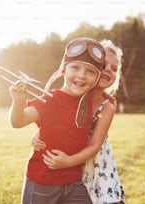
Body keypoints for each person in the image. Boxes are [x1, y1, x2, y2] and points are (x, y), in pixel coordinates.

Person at [8, 37, 106, 204]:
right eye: (75, 67)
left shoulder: (90, 99)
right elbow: (18, 121)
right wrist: (18, 102)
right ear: (63, 70)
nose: (81, 75)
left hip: (74, 181)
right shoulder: (51, 99)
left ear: (97, 78)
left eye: (90, 71)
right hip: (42, 182)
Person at [32, 40, 125, 204]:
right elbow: (56, 120)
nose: (108, 71)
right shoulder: (73, 95)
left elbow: (94, 146)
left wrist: (68, 161)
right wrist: (38, 134)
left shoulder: (107, 104)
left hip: (96, 168)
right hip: (71, 172)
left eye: (114, 69)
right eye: (104, 66)